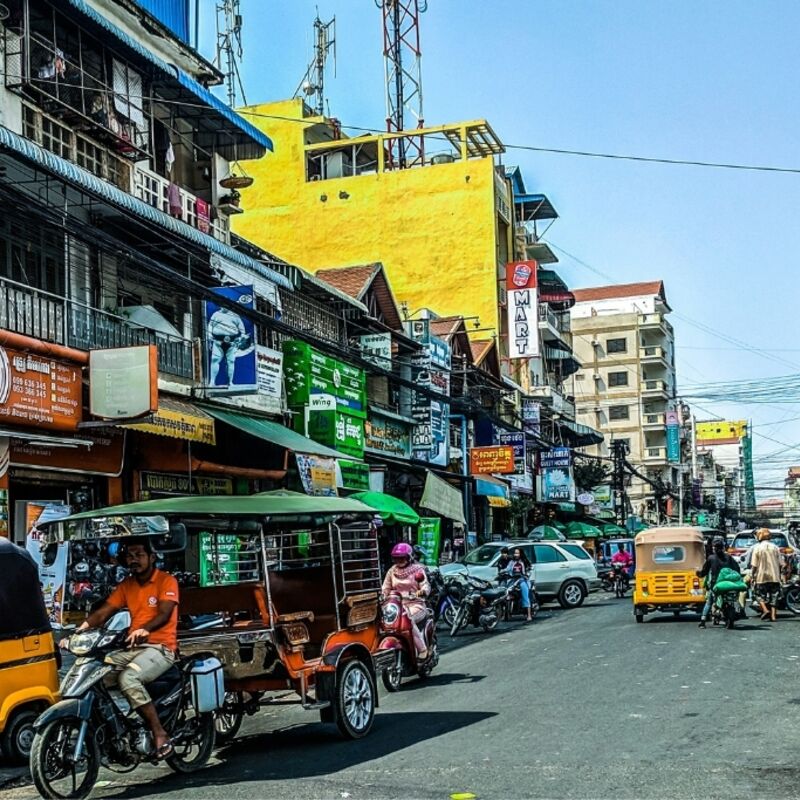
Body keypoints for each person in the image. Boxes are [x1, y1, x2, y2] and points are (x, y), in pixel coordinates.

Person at [65, 538, 179, 758]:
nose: (134, 560)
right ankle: (118, 727)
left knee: (128, 679)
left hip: (161, 648)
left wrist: (144, 629)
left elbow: (164, 614)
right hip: (132, 648)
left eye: (139, 555)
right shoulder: (126, 585)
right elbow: (103, 613)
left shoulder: (167, 581)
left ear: (152, 557)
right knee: (95, 674)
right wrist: (79, 631)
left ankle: (159, 732)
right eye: (130, 556)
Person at [382, 542, 430, 659]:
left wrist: (422, 591)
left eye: (402, 558)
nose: (399, 561)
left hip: (415, 605)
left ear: (409, 557)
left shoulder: (418, 570)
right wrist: (382, 596)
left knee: (407, 620)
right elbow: (385, 588)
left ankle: (423, 649)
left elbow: (425, 585)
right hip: (397, 607)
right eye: (396, 558)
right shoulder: (392, 571)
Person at [696, 537, 740, 628]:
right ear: (723, 547)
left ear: (714, 548)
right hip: (729, 583)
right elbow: (737, 569)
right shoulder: (728, 557)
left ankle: (703, 621)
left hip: (716, 585)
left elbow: (704, 571)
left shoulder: (711, 558)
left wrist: (699, 574)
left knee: (709, 602)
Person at [208, 306, 247, 386]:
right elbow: (210, 326)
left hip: (232, 343)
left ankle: (230, 382)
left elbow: (242, 330)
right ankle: (212, 381)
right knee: (215, 360)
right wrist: (209, 335)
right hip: (218, 342)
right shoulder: (216, 314)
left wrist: (240, 338)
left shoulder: (235, 316)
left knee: (231, 362)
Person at [750, 528, 782, 622]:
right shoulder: (775, 547)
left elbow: (754, 565)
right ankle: (773, 616)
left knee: (759, 595)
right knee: (774, 596)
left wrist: (753, 575)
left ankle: (765, 610)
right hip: (774, 576)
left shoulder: (757, 548)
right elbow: (781, 563)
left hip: (761, 576)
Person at [500, 547, 534, 621]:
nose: (516, 554)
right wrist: (502, 571)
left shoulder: (524, 561)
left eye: (517, 553)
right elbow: (508, 568)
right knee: (505, 592)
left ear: (521, 554)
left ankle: (529, 614)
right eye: (515, 553)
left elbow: (530, 568)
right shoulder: (512, 562)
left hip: (522, 580)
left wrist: (527, 575)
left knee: (525, 594)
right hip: (513, 580)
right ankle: (504, 613)